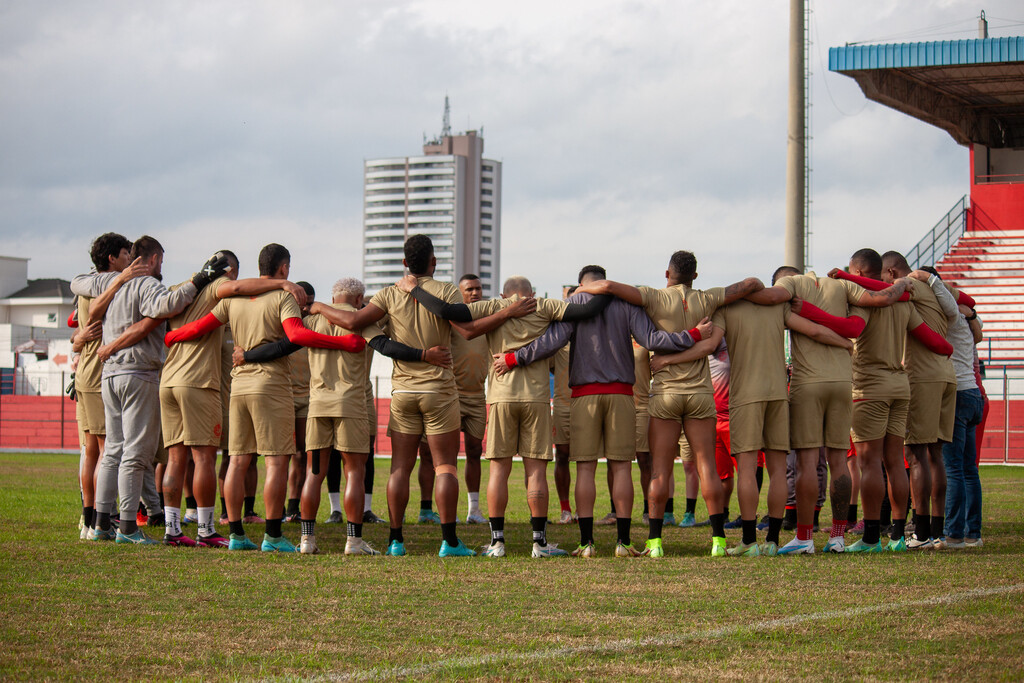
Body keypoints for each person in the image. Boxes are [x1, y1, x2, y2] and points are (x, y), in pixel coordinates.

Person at [304, 235, 532, 557]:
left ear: (403, 263)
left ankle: (395, 541)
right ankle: (450, 542)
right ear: (433, 261)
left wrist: (318, 307)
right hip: (439, 391)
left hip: (403, 392)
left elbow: (355, 322)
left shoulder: (387, 294)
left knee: (399, 468)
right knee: (445, 467)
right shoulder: (447, 291)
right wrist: (505, 313)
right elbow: (467, 329)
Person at [494, 264, 711, 558]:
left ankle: (586, 544)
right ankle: (622, 543)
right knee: (621, 467)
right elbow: (652, 341)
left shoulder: (574, 302)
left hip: (584, 395)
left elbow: (551, 343)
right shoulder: (626, 302)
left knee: (585, 468)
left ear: (582, 284)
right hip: (622, 394)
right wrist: (694, 335)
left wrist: (513, 358)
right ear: (604, 281)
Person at [164, 243, 367, 553]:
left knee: (238, 462)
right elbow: (297, 335)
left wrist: (170, 337)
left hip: (239, 386)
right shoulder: (283, 296)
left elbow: (198, 327)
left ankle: (235, 535)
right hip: (271, 385)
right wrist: (342, 343)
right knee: (276, 462)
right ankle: (273, 537)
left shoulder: (233, 299)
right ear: (283, 268)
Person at [403, 273, 612, 558]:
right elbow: (588, 308)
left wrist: (414, 289)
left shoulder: (491, 307)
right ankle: (539, 543)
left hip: (500, 396)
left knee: (499, 470)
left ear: (504, 296)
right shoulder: (544, 306)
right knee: (536, 471)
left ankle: (497, 543)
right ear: (531, 294)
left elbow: (447, 311)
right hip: (537, 398)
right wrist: (603, 286)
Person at [236, 276, 445, 554]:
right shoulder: (362, 321)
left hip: (318, 405)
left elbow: (281, 347)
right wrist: (424, 354)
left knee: (314, 474)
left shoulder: (312, 321)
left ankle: (307, 541)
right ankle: (353, 541)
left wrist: (247, 356)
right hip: (352, 405)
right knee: (355, 474)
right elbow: (388, 347)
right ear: (360, 300)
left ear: (333, 298)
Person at [573, 251, 762, 556]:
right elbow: (752, 283)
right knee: (707, 468)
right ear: (695, 276)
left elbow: (607, 287)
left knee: (660, 471)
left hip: (665, 394)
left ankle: (655, 542)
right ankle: (717, 542)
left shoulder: (653, 297)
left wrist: (582, 290)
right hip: (701, 394)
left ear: (667, 273)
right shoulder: (709, 297)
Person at [744, 262, 911, 553]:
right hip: (843, 382)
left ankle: (805, 537)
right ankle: (837, 536)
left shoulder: (792, 285)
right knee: (839, 462)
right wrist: (904, 285)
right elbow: (882, 299)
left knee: (807, 462)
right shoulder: (843, 286)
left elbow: (770, 298)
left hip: (807, 383)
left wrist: (733, 293)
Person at [71, 236, 224, 544]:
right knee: (136, 452)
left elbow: (78, 284)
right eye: (161, 262)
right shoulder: (144, 284)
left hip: (109, 374)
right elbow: (168, 304)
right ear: (152, 260)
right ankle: (127, 527)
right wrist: (200, 279)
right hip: (137, 372)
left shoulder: (107, 283)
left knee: (112, 449)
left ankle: (102, 522)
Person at [826, 249, 952, 553]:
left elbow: (849, 329)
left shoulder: (859, 299)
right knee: (897, 461)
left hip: (870, 386)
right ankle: (896, 535)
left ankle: (870, 537)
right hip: (901, 386)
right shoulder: (903, 303)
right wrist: (949, 348)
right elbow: (934, 340)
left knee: (869, 462)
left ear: (856, 272)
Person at [881, 253, 957, 549]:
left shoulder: (908, 282)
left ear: (891, 271)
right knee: (936, 455)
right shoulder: (937, 286)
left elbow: (885, 296)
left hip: (922, 376)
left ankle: (922, 532)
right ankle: (937, 531)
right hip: (945, 373)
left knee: (915, 454)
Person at [906, 269, 983, 548]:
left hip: (959, 394)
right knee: (968, 470)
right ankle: (972, 532)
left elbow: (948, 305)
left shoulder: (946, 317)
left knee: (951, 468)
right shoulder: (965, 318)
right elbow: (975, 323)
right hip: (973, 393)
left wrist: (930, 282)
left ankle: (952, 533)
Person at [73, 232, 136, 540]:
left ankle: (88, 520)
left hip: (85, 374)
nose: (130, 260)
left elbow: (78, 333)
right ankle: (101, 520)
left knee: (91, 451)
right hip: (99, 374)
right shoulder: (110, 287)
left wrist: (77, 340)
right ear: (112, 258)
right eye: (126, 254)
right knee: (105, 450)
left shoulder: (86, 286)